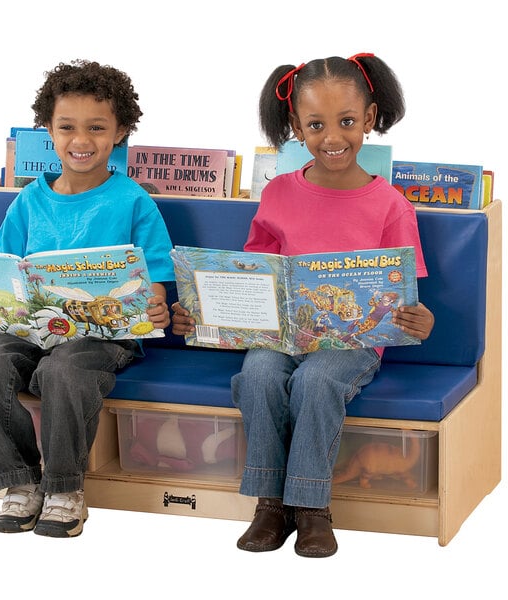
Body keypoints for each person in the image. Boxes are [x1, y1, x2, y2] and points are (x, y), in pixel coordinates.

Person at [172, 53, 434, 557]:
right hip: (282, 336)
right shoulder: (279, 194)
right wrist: (206, 311)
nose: (333, 137)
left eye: (347, 122)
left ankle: (311, 507)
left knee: (316, 380)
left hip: (354, 341)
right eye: (316, 124)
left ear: (370, 120)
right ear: (296, 126)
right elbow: (252, 277)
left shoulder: (390, 205)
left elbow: (404, 297)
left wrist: (418, 320)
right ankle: (271, 503)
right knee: (261, 376)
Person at [0, 60, 175, 538]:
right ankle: (19, 481)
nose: (82, 140)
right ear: (50, 132)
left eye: (97, 128)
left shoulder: (135, 201)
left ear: (119, 131)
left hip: (101, 334)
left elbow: (155, 279)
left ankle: (64, 486)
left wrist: (155, 304)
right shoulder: (29, 200)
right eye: (67, 127)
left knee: (63, 370)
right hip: (29, 328)